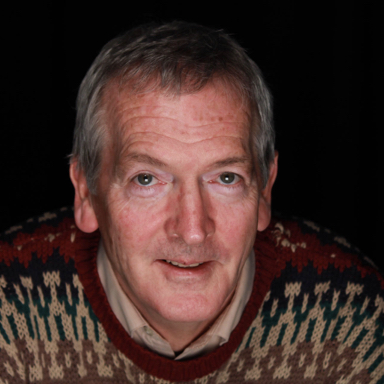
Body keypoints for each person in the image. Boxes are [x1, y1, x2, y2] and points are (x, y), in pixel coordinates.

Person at [0, 21, 383, 383]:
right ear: (85, 193)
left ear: (265, 189)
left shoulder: (349, 319)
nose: (193, 230)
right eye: (146, 179)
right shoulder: (9, 309)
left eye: (226, 178)